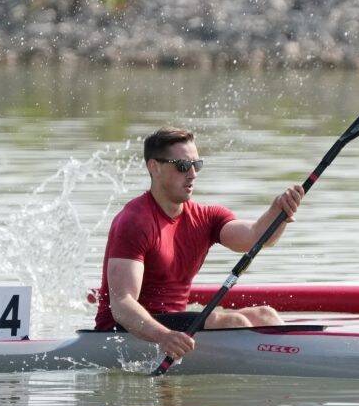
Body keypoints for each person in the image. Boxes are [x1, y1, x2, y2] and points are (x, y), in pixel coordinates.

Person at [94, 127, 304, 361]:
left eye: (197, 164)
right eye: (183, 166)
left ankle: (295, 362)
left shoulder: (205, 217)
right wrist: (164, 336)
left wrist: (278, 214)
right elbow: (122, 304)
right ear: (154, 167)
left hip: (176, 327)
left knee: (266, 315)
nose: (193, 173)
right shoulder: (135, 221)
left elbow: (255, 237)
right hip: (122, 333)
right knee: (234, 323)